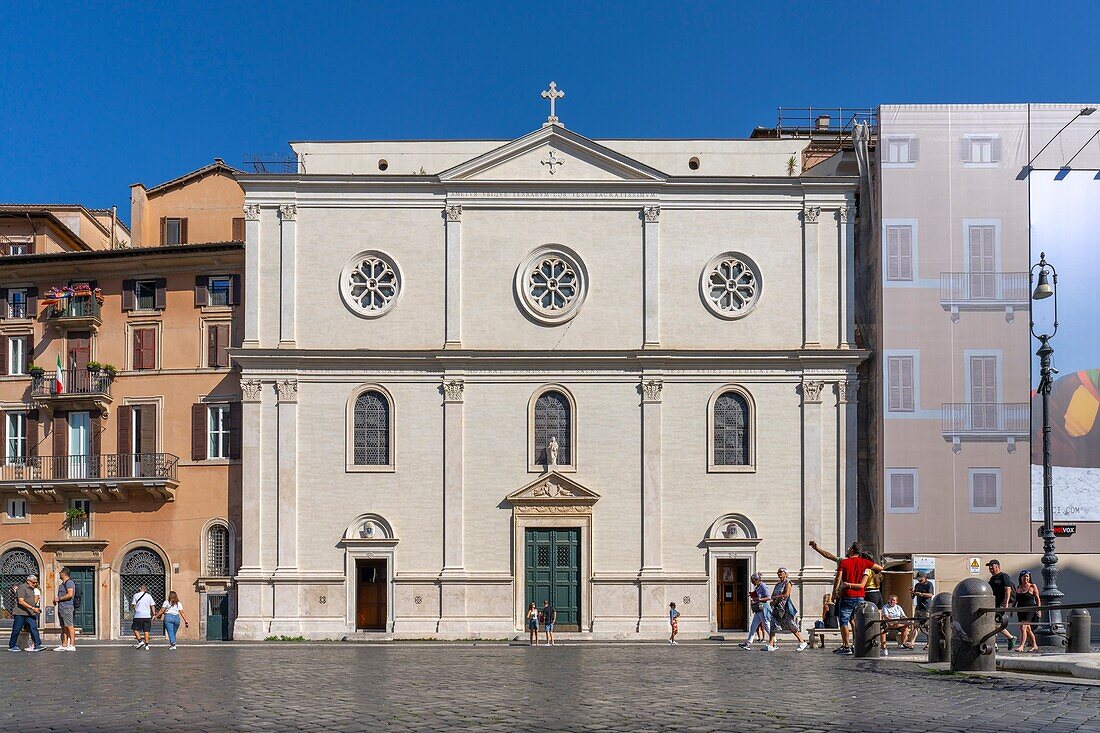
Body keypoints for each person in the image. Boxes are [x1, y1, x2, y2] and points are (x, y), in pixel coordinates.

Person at [832, 542, 882, 656]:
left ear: (851, 551)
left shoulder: (844, 562)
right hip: (860, 596)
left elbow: (838, 578)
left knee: (844, 621)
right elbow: (880, 568)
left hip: (847, 595)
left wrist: (834, 592)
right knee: (856, 620)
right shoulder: (864, 562)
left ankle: (846, 645)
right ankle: (856, 644)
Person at [765, 568, 809, 652]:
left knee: (790, 624)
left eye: (781, 572)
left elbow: (786, 595)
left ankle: (802, 641)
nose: (779, 573)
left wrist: (776, 599)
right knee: (773, 623)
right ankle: (771, 644)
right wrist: (774, 600)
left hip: (784, 607)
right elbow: (773, 595)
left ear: (786, 573)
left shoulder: (788, 582)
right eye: (778, 572)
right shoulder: (778, 584)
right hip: (776, 607)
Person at [7, 574, 44, 652]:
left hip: (30, 613)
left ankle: (38, 645)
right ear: (28, 581)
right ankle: (12, 645)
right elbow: (21, 601)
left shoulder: (31, 589)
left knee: (34, 628)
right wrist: (32, 608)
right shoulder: (22, 588)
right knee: (17, 629)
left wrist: (34, 608)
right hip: (20, 613)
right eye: (34, 582)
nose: (35, 584)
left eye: (36, 582)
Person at [986, 560, 1017, 651]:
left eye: (992, 566)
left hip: (1000, 605)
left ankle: (1008, 638)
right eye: (989, 567)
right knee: (993, 624)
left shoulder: (1004, 576)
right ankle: (1005, 640)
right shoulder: (992, 579)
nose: (990, 568)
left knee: (995, 624)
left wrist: (1006, 603)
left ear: (998, 566)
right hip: (993, 605)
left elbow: (1008, 589)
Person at [738, 572, 772, 650]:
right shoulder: (757, 587)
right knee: (753, 627)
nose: (751, 582)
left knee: (767, 626)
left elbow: (768, 597)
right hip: (758, 610)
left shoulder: (763, 586)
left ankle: (774, 642)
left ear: (756, 580)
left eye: (752, 580)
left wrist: (759, 599)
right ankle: (748, 644)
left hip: (763, 609)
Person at [1014, 570, 1041, 653]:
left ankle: (1021, 646)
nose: (1026, 578)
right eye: (1024, 576)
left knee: (1023, 627)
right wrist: (1011, 609)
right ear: (1021, 578)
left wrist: (1039, 609)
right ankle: (1034, 645)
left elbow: (1037, 598)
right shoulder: (1018, 587)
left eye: (1028, 576)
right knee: (1028, 629)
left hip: (1030, 609)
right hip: (1021, 610)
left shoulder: (1032, 586)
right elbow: (1016, 600)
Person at [906, 572, 934, 649]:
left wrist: (921, 594)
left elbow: (931, 595)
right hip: (918, 608)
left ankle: (929, 644)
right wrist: (912, 592)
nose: (919, 580)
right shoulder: (917, 585)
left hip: (926, 608)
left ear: (924, 578)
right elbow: (913, 596)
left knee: (928, 627)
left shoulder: (929, 584)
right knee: (916, 626)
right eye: (918, 578)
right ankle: (912, 643)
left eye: (920, 578)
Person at [54, 567, 77, 652]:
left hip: (67, 607)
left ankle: (72, 645)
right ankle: (64, 645)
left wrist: (59, 599)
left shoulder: (69, 582)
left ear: (63, 573)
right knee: (63, 627)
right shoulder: (62, 584)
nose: (59, 574)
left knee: (69, 626)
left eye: (60, 572)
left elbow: (70, 594)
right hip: (62, 608)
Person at [131, 583, 156, 650]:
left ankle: (140, 641)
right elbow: (152, 605)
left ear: (140, 588)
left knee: (135, 629)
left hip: (138, 616)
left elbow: (133, 605)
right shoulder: (149, 596)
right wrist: (154, 614)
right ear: (146, 590)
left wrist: (136, 609)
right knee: (146, 630)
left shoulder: (135, 595)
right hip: (147, 616)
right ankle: (147, 645)